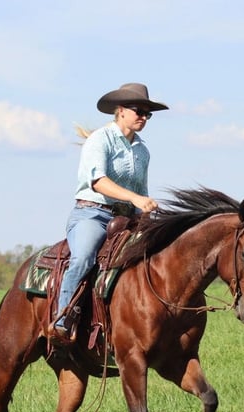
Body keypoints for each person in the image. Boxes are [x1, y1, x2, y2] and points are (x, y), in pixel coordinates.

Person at [48, 83, 169, 345]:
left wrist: (146, 216)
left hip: (128, 218)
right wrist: (136, 198)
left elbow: (141, 190)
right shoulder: (99, 140)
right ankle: (63, 318)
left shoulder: (142, 151)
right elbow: (98, 182)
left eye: (148, 114)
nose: (144, 117)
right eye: (139, 110)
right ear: (121, 110)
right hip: (92, 214)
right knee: (84, 258)